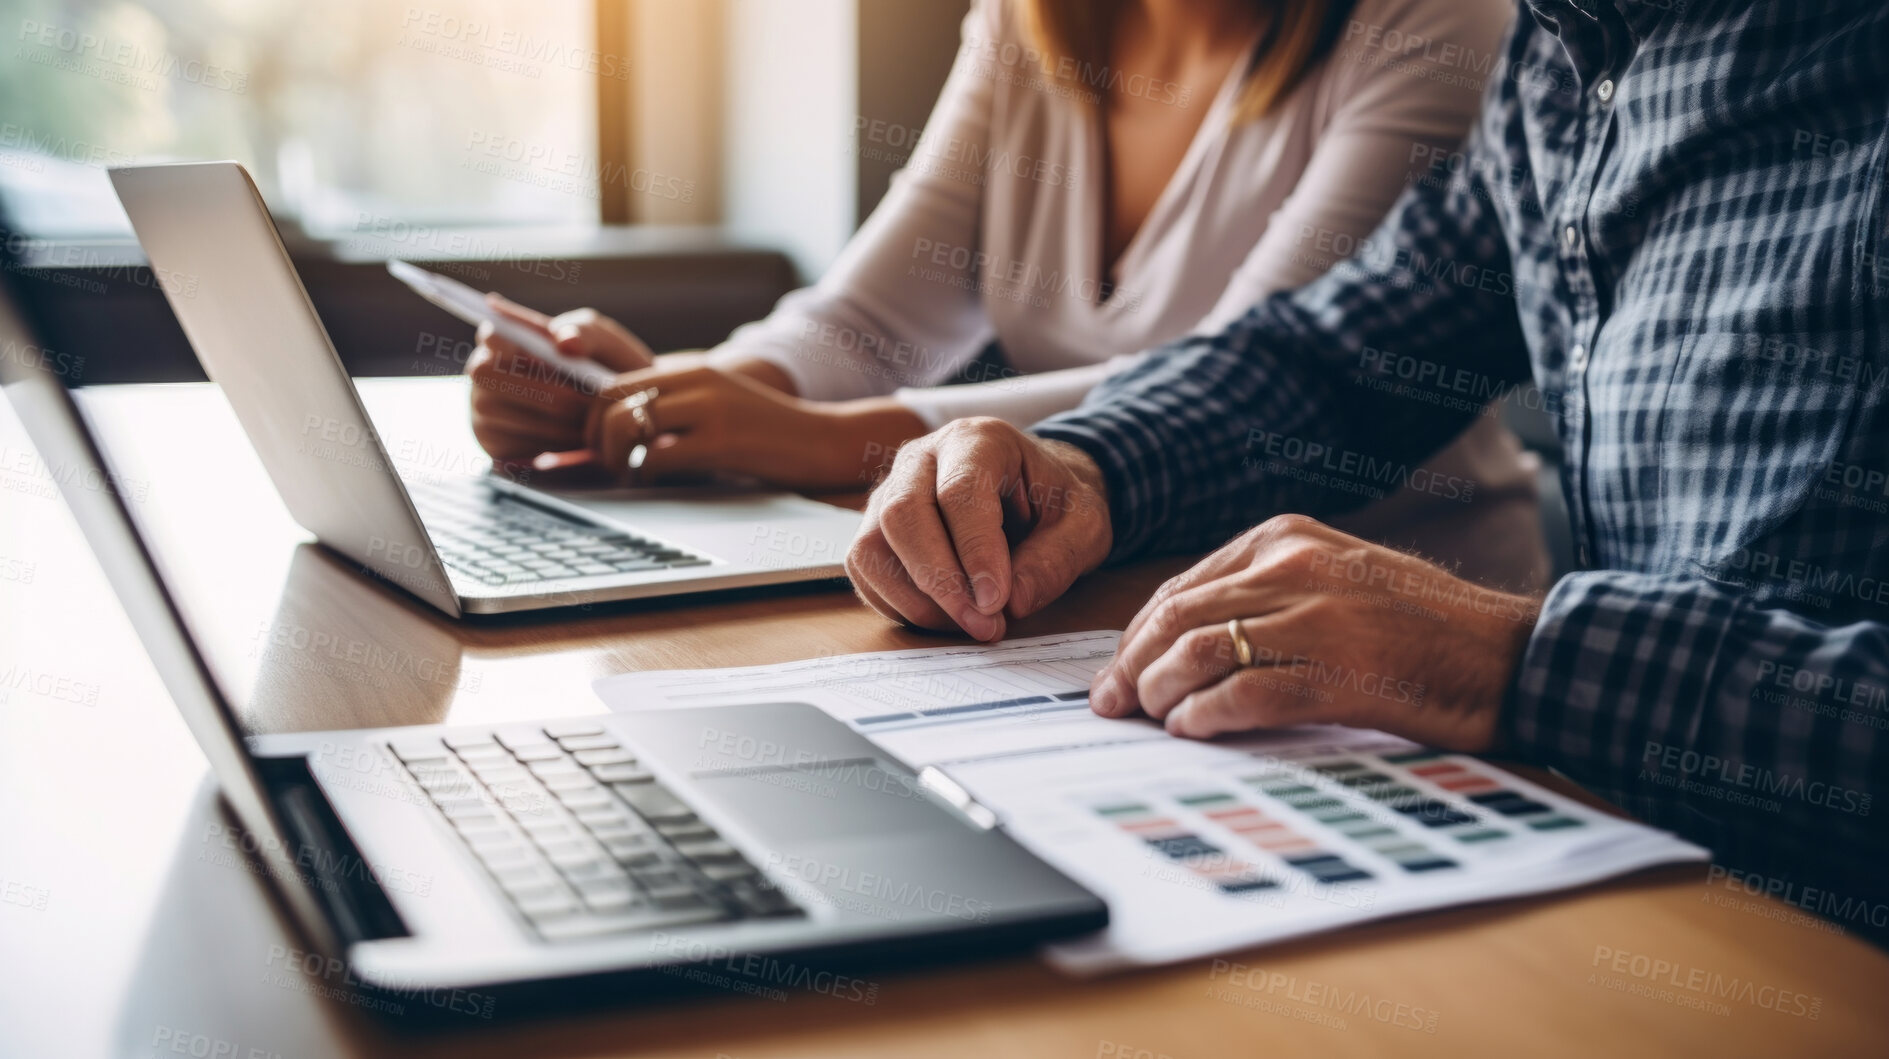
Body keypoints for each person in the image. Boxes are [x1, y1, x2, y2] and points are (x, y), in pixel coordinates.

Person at [847, 0, 1889, 934]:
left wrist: (1514, 657)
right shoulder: (1567, 45)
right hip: (1637, 883)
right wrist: (1084, 465)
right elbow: (1337, 359)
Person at [466, 0, 1549, 589]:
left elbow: (1262, 376)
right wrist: (677, 397)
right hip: (1097, 581)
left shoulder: (1440, 25)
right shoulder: (1028, 25)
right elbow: (867, 322)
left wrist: (819, 441)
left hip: (1389, 608)